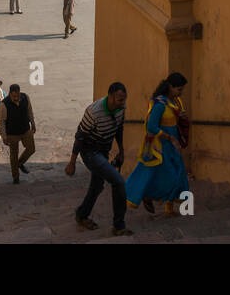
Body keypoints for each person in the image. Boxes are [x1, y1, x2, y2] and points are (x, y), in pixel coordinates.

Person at [66, 82, 130, 236]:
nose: (123, 103)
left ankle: (82, 214)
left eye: (124, 99)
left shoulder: (121, 109)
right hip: (89, 152)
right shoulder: (94, 112)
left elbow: (118, 129)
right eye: (119, 100)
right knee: (118, 181)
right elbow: (80, 137)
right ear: (110, 97)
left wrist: (121, 150)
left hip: (103, 151)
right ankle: (119, 226)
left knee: (97, 186)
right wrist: (72, 162)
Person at [125, 72, 190, 214]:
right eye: (179, 89)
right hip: (161, 146)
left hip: (174, 145)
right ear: (171, 87)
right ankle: (148, 196)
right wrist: (170, 138)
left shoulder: (176, 102)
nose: (181, 93)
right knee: (169, 176)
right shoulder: (159, 105)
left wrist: (181, 117)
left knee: (178, 174)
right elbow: (151, 127)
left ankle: (169, 208)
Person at [0, 83, 36, 184]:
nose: (16, 98)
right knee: (13, 155)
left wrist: (32, 122)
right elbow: (1, 122)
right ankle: (16, 177)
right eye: (14, 96)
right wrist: (4, 136)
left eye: (18, 95)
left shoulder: (25, 97)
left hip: (25, 129)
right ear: (10, 94)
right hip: (12, 133)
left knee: (31, 149)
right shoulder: (4, 104)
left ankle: (20, 163)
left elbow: (30, 110)